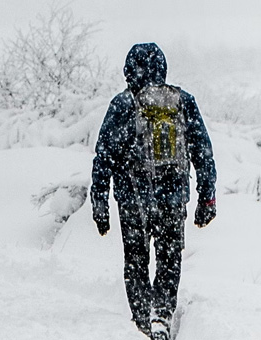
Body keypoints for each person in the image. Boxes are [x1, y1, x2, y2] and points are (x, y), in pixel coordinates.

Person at [91, 43, 217, 340]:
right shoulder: (182, 102)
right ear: (163, 68)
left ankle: (142, 320)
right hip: (173, 200)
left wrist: (100, 204)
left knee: (135, 260)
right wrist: (207, 197)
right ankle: (161, 315)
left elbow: (103, 157)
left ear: (128, 70)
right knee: (169, 259)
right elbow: (203, 152)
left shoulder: (122, 105)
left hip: (133, 199)